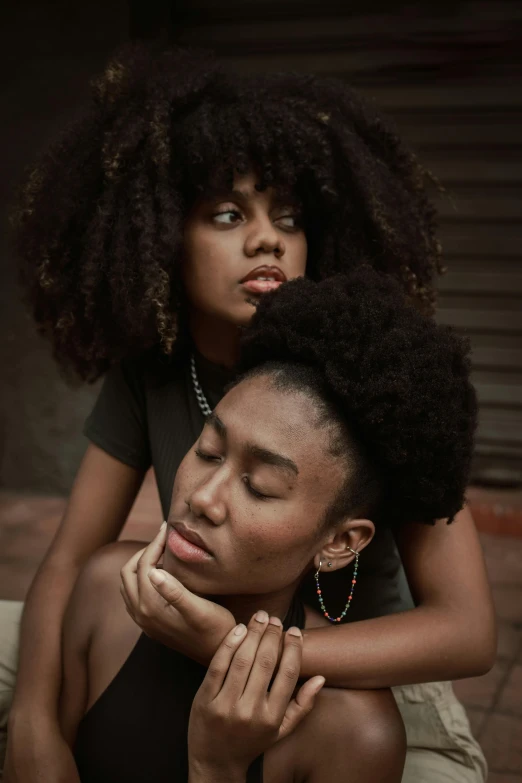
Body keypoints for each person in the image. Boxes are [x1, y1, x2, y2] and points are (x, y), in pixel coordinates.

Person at [2, 45, 493, 782]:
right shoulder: (152, 375)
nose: (266, 236)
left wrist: (231, 648)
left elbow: (466, 630)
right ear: (162, 235)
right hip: (204, 624)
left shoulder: (370, 389)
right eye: (228, 213)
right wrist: (36, 724)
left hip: (361, 669)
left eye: (288, 217)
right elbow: (72, 558)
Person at [58, 269, 473, 781]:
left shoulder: (356, 732)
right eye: (208, 451)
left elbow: (469, 631)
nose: (203, 498)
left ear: (341, 542)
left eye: (259, 488)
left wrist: (217, 766)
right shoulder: (106, 588)